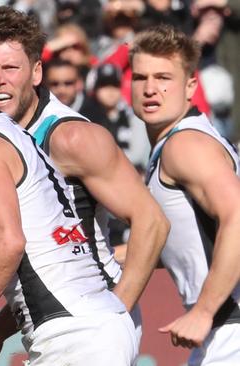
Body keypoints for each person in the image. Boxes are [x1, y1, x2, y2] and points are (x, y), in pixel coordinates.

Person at [0, 40, 137, 366]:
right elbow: (42, 263)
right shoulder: (14, 137)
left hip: (74, 339)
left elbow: (7, 241)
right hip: (97, 327)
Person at [0, 5, 168, 349]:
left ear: (35, 73)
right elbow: (52, 271)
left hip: (96, 318)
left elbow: (152, 221)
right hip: (58, 318)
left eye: (10, 68)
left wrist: (116, 313)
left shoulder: (70, 137)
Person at [130, 24, 240, 364]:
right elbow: (189, 242)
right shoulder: (178, 142)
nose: (150, 89)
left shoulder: (185, 145)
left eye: (164, 77)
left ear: (191, 85)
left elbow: (237, 217)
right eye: (140, 77)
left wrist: (204, 311)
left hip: (228, 327)